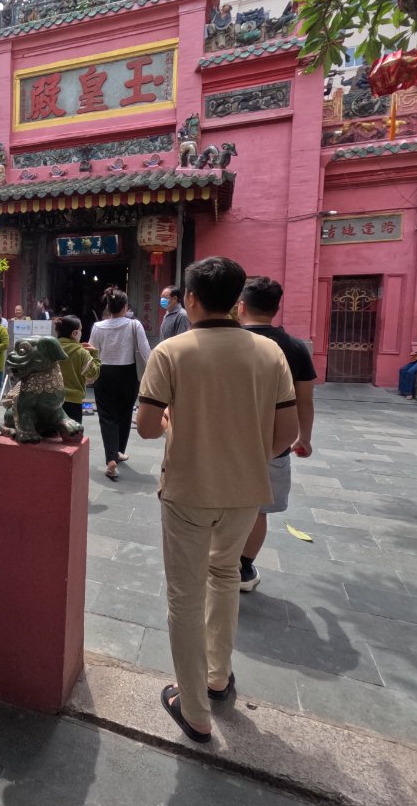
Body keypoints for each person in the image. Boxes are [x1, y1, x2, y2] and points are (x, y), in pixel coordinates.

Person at [136, 257, 297, 743]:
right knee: (225, 574)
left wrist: (172, 426)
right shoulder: (270, 354)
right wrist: (244, 454)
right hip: (246, 491)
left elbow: (145, 426)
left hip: (187, 489)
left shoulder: (171, 351)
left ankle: (195, 711)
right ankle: (218, 678)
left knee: (184, 598)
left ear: (190, 299)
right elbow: (285, 432)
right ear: (237, 301)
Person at [235, 278, 316, 593]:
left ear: (241, 306)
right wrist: (304, 438)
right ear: (276, 308)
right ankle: (242, 568)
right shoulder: (294, 347)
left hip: (227, 440)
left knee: (222, 503)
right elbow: (304, 399)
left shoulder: (228, 342)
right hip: (275, 443)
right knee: (258, 509)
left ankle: (217, 562)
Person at [88, 290, 150, 481]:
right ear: (125, 307)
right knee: (125, 413)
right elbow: (146, 352)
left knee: (107, 417)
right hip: (128, 374)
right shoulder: (134, 325)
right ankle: (118, 451)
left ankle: (111, 458)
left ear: (108, 307)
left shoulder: (98, 326)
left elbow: (93, 350)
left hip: (104, 374)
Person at [55, 315, 100, 423]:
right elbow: (93, 374)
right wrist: (95, 355)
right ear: (75, 333)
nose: (81, 332)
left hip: (51, 400)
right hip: (73, 402)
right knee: (72, 436)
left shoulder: (51, 348)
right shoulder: (81, 352)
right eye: (80, 330)